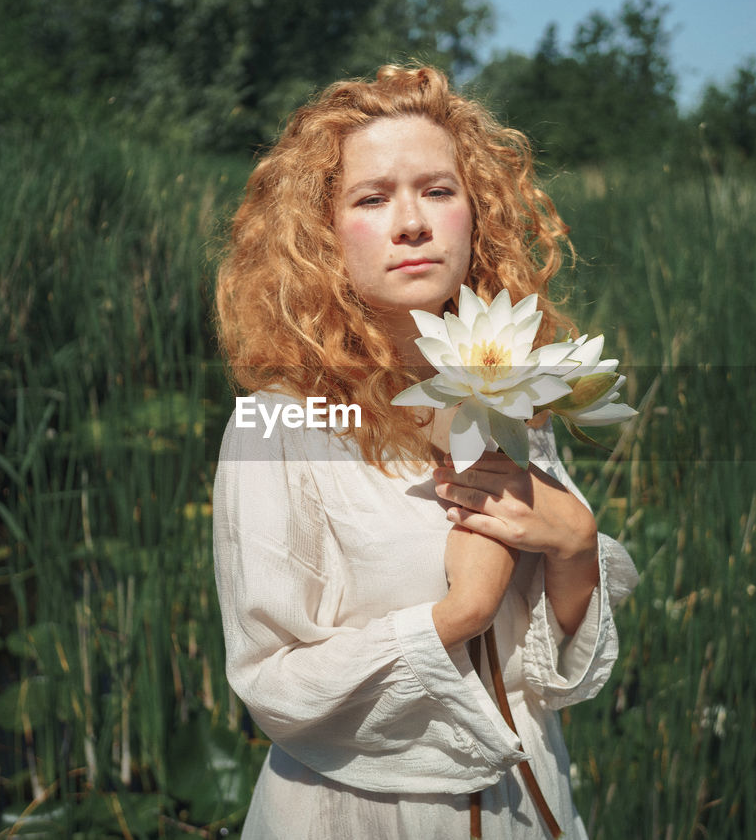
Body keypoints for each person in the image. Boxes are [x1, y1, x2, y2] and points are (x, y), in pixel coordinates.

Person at [211, 64, 638, 839]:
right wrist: (456, 614)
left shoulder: (509, 391)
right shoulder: (275, 424)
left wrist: (574, 543)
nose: (412, 223)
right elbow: (270, 682)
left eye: (438, 191)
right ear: (320, 234)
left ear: (477, 214)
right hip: (362, 815)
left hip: (528, 805)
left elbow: (546, 678)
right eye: (372, 198)